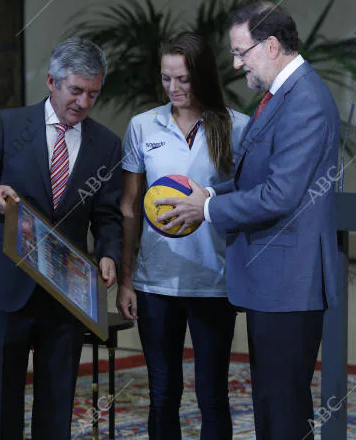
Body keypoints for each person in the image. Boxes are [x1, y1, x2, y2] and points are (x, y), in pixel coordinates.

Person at [156, 3, 341, 440]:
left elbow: (281, 194)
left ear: (271, 46)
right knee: (273, 408)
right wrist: (210, 194)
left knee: (284, 413)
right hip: (271, 282)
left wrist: (207, 209)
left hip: (289, 282)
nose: (236, 63)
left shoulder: (306, 100)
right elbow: (254, 176)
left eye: (242, 52)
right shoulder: (281, 96)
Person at [0, 37, 123, 439]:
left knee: (57, 404)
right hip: (5, 287)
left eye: (93, 94)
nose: (83, 102)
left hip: (66, 292)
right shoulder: (7, 124)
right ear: (52, 81)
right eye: (76, 91)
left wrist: (109, 253)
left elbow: (108, 215)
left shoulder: (106, 144)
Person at [116, 31, 249, 440]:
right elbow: (129, 208)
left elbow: (249, 202)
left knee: (213, 395)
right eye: (166, 78)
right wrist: (126, 280)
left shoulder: (237, 127)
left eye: (184, 79)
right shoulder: (142, 127)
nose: (174, 88)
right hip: (156, 283)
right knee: (162, 393)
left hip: (214, 282)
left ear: (203, 76)